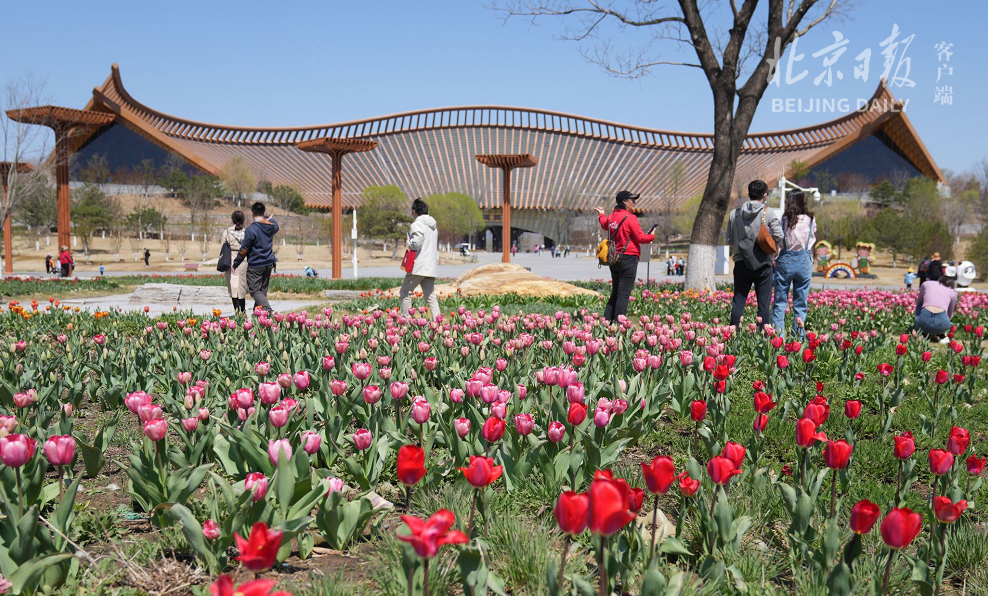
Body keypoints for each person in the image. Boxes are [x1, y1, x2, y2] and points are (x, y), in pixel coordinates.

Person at [727, 180, 784, 330]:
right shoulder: (769, 212)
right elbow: (779, 235)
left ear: (749, 193)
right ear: (764, 195)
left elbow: (728, 238)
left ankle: (732, 335)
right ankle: (764, 337)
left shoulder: (735, 214)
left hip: (741, 262)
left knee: (738, 302)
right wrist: (768, 244)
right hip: (763, 263)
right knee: (764, 305)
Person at [595, 190, 655, 322]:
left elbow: (605, 224)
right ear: (624, 202)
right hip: (629, 258)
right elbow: (640, 238)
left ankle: (607, 322)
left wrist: (601, 214)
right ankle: (619, 324)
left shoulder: (611, 217)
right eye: (632, 200)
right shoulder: (630, 218)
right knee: (623, 294)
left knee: (616, 292)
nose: (634, 202)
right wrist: (652, 235)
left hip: (614, 258)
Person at [771, 190, 816, 338]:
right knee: (800, 303)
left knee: (780, 302)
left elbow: (777, 238)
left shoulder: (783, 219)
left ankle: (778, 337)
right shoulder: (811, 219)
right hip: (804, 260)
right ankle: (798, 338)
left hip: (785, 260)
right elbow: (811, 239)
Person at [233, 202, 279, 315]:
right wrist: (268, 218)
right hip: (269, 263)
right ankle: (258, 316)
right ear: (264, 212)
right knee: (262, 291)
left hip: (256, 264)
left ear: (251, 213)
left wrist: (236, 263)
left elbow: (244, 249)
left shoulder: (251, 230)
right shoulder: (271, 226)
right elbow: (275, 223)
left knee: (254, 291)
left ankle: (268, 310)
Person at [399, 198, 440, 319]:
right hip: (430, 267)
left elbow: (416, 244)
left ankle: (406, 322)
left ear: (414, 211)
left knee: (405, 292)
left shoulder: (417, 224)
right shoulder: (433, 226)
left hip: (419, 266)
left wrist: (408, 241)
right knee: (430, 296)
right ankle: (438, 322)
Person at [914, 265, 958, 342]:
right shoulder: (952, 292)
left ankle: (921, 331)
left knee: (920, 305)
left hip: (922, 323)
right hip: (942, 325)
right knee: (947, 311)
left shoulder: (926, 284)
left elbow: (918, 302)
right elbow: (950, 313)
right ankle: (942, 335)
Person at [223, 210, 249, 313]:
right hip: (243, 260)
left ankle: (236, 311)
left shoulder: (228, 232)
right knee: (241, 287)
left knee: (233, 287)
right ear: (243, 220)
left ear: (232, 219)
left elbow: (222, 248)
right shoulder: (246, 232)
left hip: (230, 260)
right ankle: (243, 311)